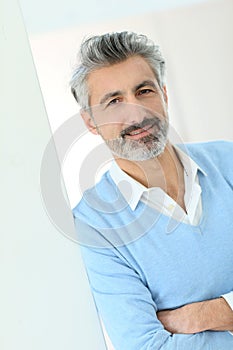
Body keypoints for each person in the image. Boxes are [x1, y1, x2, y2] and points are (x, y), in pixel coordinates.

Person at [70, 31, 233, 349]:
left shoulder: (227, 161)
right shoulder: (94, 226)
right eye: (114, 101)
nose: (136, 113)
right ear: (90, 122)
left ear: (165, 95)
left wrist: (214, 312)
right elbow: (145, 347)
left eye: (144, 91)